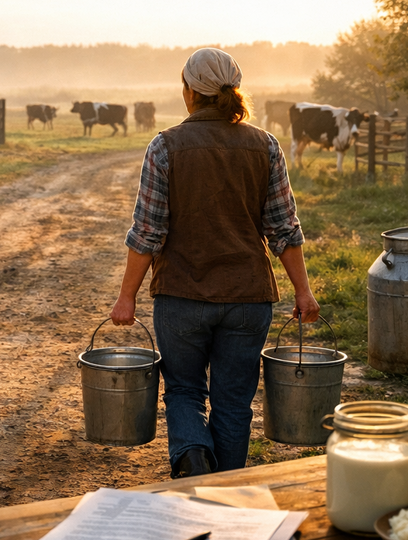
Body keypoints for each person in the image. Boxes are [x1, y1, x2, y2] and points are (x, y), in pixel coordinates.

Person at [109, 48, 319, 479]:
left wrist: (126, 296)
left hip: (181, 297)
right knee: (233, 402)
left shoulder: (165, 147)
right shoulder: (266, 145)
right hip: (248, 300)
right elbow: (284, 228)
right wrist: (303, 289)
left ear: (189, 91)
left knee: (184, 391)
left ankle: (192, 456)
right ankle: (224, 492)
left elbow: (148, 232)